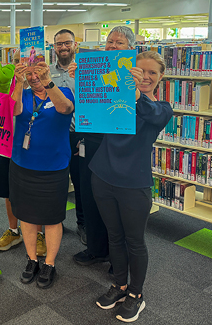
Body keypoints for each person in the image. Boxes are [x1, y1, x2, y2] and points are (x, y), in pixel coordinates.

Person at [90, 50, 172, 322]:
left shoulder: (161, 109)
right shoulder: (116, 95)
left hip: (133, 184)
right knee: (114, 236)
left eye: (152, 73)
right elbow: (95, 97)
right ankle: (119, 286)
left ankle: (136, 294)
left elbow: (151, 113)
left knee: (135, 241)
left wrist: (135, 94)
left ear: (161, 78)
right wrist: (84, 75)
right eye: (140, 71)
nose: (146, 77)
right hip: (102, 175)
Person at [69, 26, 138, 269]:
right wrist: (80, 77)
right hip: (91, 139)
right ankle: (97, 248)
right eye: (109, 42)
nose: (112, 46)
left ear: (131, 48)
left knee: (115, 202)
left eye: (118, 43)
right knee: (89, 196)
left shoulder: (135, 72)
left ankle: (118, 257)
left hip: (118, 143)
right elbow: (89, 101)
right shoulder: (95, 66)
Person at [9, 60, 74, 289]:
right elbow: (13, 111)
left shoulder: (63, 90)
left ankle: (50, 263)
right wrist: (18, 81)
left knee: (52, 217)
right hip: (23, 164)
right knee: (26, 216)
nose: (33, 75)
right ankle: (32, 259)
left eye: (38, 70)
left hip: (53, 165)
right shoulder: (23, 93)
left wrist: (47, 83)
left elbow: (65, 109)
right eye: (29, 71)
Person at [0, 50, 46, 257]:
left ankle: (39, 233)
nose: (22, 67)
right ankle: (14, 230)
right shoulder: (5, 84)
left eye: (27, 64)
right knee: (8, 191)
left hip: (32, 149)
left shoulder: (40, 88)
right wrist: (16, 82)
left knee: (35, 192)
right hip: (6, 147)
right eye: (17, 62)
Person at [49, 29, 85, 245]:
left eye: (67, 43)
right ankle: (55, 223)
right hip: (53, 136)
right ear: (54, 47)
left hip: (77, 135)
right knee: (55, 182)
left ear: (75, 45)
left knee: (81, 182)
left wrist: (81, 76)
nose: (63, 47)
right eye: (59, 44)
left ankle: (83, 224)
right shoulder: (46, 72)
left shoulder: (85, 71)